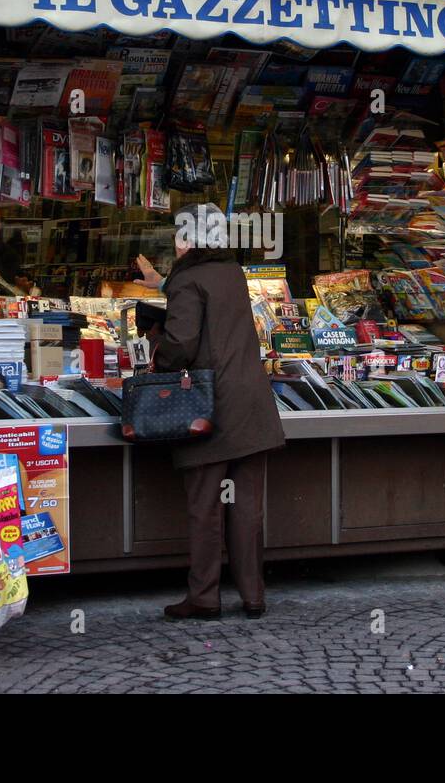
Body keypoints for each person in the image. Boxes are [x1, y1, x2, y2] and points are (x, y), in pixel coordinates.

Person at [148, 204, 285, 621]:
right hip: (252, 405)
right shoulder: (233, 273)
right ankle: (253, 596)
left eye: (177, 234)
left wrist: (153, 336)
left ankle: (204, 596)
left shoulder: (187, 279)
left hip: (211, 407)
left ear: (187, 240)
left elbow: (181, 345)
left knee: (205, 507)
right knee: (247, 508)